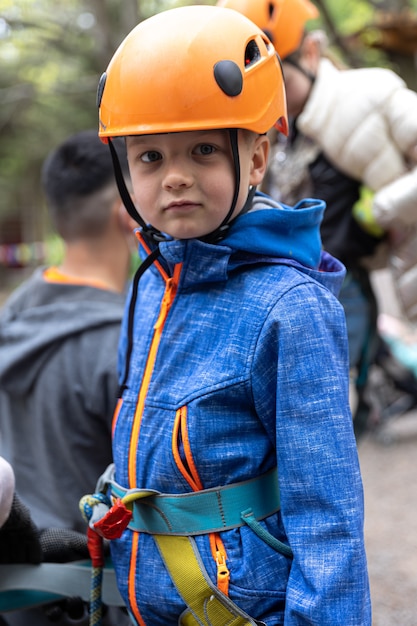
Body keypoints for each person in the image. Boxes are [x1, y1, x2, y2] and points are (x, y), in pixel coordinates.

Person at [84, 5, 371, 625]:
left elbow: (328, 514)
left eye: (205, 150)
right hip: (144, 602)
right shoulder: (153, 282)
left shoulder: (289, 308)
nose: (176, 177)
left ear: (259, 157)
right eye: (150, 157)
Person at [218, 0, 417, 437]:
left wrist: (380, 207)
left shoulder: (371, 93)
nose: (275, 100)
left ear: (311, 53)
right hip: (363, 269)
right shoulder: (285, 136)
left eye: (281, 82)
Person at [0, 129, 135, 625]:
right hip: (96, 601)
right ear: (129, 219)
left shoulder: (11, 317)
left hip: (13, 600)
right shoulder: (128, 343)